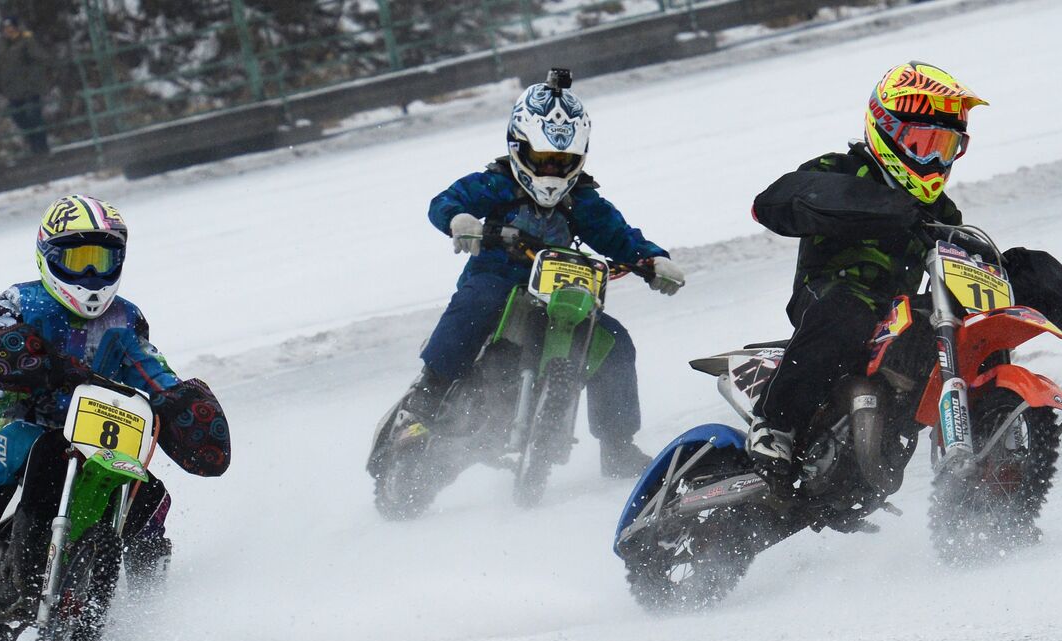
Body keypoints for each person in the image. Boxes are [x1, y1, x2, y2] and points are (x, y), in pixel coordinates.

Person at [0, 194, 231, 610]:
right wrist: (21, 355)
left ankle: (150, 607)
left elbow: (146, 362)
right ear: (48, 257)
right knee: (12, 448)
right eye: (78, 261)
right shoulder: (21, 301)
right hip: (27, 414)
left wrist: (174, 399)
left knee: (151, 498)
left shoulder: (126, 318)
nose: (92, 273)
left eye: (102, 260)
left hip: (102, 425)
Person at [397, 72, 686, 478]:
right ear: (518, 147)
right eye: (543, 159)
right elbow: (448, 200)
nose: (551, 171)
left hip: (560, 293)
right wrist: (459, 219)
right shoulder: (496, 184)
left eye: (562, 162)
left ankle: (617, 445)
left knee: (615, 343)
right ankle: (433, 386)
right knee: (477, 302)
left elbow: (619, 237)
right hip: (497, 278)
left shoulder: (582, 201)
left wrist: (653, 261)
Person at [748, 61, 985, 470]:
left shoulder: (939, 209)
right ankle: (774, 424)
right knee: (847, 312)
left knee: (957, 326)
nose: (932, 158)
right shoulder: (839, 171)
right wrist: (879, 208)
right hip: (829, 295)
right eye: (922, 144)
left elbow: (957, 265)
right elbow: (775, 202)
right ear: (887, 130)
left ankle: (971, 442)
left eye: (943, 148)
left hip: (899, 313)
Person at [0, 16, 51, 156]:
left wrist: (29, 41)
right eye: (6, 29)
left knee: (34, 116)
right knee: (18, 117)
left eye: (11, 29)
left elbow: (40, 56)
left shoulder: (26, 41)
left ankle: (42, 148)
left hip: (29, 87)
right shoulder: (2, 44)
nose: (8, 32)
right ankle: (34, 146)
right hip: (13, 89)